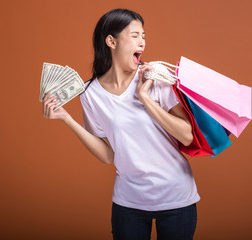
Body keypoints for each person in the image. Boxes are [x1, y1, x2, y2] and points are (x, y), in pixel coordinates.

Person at [43, 8, 200, 240]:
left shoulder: (155, 79)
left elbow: (187, 136)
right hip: (129, 202)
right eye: (135, 35)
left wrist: (145, 98)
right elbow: (108, 155)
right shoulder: (89, 93)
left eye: (144, 36)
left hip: (176, 197)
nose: (142, 42)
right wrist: (67, 119)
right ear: (111, 41)